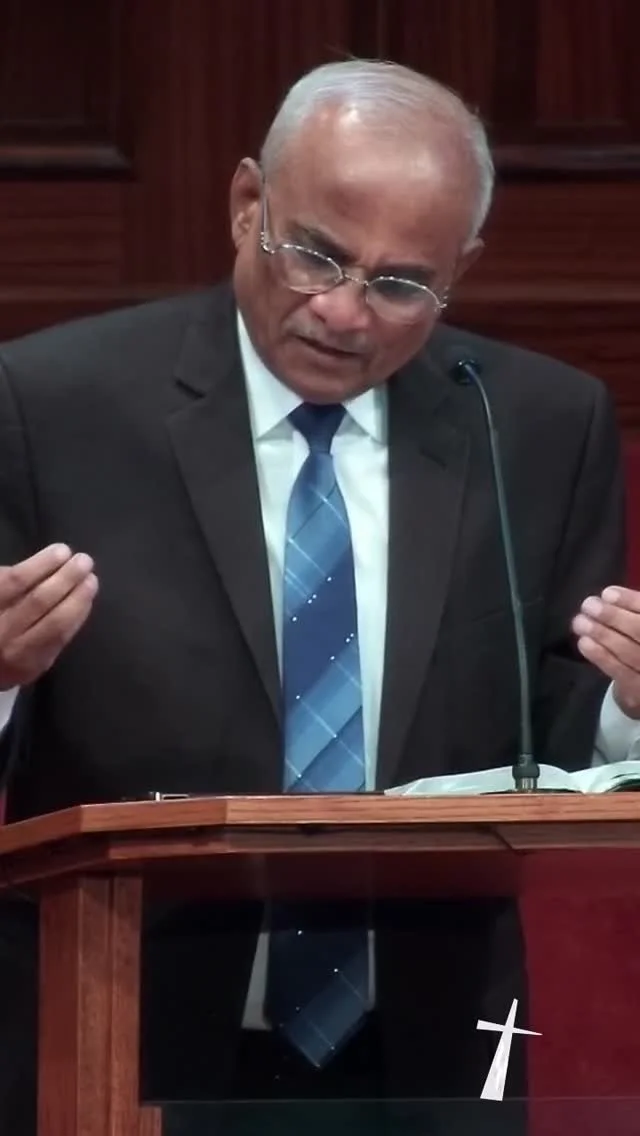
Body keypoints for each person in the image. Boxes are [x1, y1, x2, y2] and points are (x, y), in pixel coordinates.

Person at [2, 57, 640, 1135]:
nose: (345, 313)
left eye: (400, 284)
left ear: (461, 268)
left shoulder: (535, 426)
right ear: (246, 203)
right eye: (315, 255)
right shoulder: (52, 406)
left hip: (434, 1052)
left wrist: (628, 706)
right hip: (120, 1038)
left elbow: (561, 734)